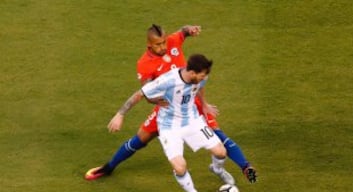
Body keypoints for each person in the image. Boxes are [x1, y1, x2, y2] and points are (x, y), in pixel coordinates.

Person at [85, 24, 256, 183]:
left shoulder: (173, 42)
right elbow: (146, 91)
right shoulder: (144, 63)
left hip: (192, 106)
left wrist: (191, 29)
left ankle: (245, 167)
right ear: (149, 45)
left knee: (218, 135)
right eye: (158, 44)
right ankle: (108, 168)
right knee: (140, 139)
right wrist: (130, 110)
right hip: (167, 111)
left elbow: (183, 33)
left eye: (164, 42)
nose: (163, 47)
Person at [107, 54, 226, 192]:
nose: (205, 78)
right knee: (180, 166)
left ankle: (217, 169)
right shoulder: (168, 80)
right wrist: (120, 114)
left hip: (192, 121)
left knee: (221, 152)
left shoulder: (198, 78)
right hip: (169, 127)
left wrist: (204, 105)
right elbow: (140, 94)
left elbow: (200, 86)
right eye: (202, 75)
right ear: (192, 73)